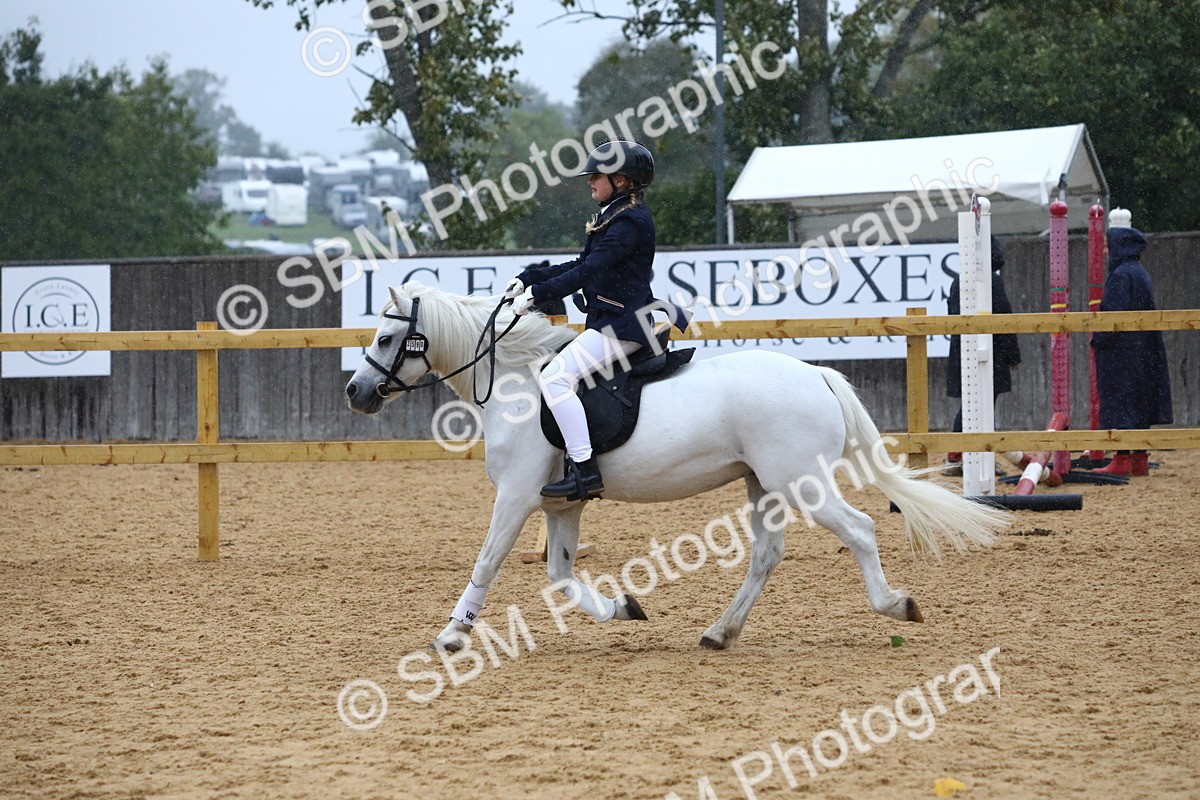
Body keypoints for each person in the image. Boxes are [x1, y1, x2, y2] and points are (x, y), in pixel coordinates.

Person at [504, 139, 659, 500]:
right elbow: (579, 264)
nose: (589, 181)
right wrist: (530, 278)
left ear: (620, 180)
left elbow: (590, 270)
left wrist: (539, 297)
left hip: (622, 327)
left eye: (596, 176)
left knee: (555, 379)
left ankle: (585, 470)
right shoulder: (614, 214)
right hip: (609, 323)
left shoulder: (628, 222)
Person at [1089, 219, 1173, 476]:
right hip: (1142, 351)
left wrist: (1097, 340)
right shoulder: (1139, 272)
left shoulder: (1121, 275)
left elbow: (1112, 316)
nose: (1104, 251)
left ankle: (1122, 459)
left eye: (1107, 245)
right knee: (1139, 403)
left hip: (1122, 354)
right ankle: (1139, 459)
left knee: (1121, 402)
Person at [945, 235, 1022, 469]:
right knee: (982, 406)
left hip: (963, 351)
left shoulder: (959, 281)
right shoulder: (993, 282)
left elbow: (951, 317)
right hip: (991, 353)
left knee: (972, 404)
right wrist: (1012, 356)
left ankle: (960, 454)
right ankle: (964, 455)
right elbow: (1003, 321)